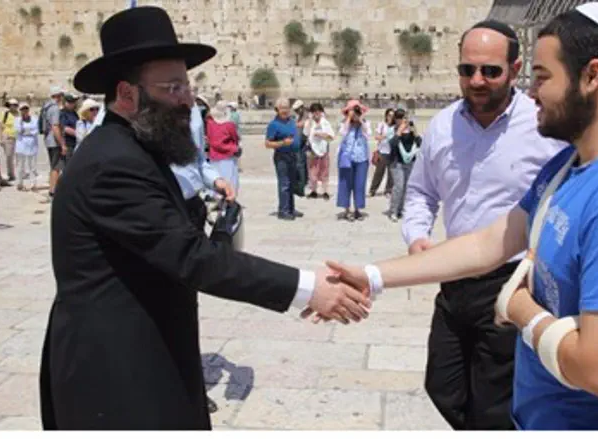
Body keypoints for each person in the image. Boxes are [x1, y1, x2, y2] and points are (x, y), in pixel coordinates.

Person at [317, 3, 598, 430]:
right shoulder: (573, 163)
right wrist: (372, 275)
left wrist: (520, 310)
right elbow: (491, 242)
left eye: (542, 78)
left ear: (593, 76)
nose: (532, 93)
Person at [39, 6, 370, 430]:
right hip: (115, 375)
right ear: (127, 94)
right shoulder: (112, 164)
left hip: (148, 355)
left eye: (187, 84)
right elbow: (192, 257)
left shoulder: (137, 150)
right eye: (172, 87)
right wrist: (308, 289)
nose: (187, 99)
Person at [391, 20, 563, 430]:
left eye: (490, 70)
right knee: (443, 386)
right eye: (467, 70)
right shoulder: (443, 125)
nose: (477, 80)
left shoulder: (544, 129)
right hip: (455, 277)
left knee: (493, 401)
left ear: (515, 68)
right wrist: (417, 236)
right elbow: (421, 192)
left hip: (512, 280)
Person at [265, 97, 302, 220]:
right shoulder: (273, 125)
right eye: (282, 108)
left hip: (293, 156)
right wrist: (282, 143)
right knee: (284, 184)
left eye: (287, 108)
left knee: (292, 183)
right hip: (282, 157)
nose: (285, 110)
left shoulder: (291, 121)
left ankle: (290, 208)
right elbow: (268, 143)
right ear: (277, 109)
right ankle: (283, 210)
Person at [336, 99, 372, 222]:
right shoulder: (344, 123)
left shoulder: (365, 123)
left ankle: (357, 209)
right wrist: (348, 120)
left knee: (360, 184)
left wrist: (360, 120)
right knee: (345, 184)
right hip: (347, 158)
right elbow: (342, 133)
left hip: (362, 158)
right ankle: (346, 209)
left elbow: (368, 135)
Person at [386, 109, 421, 222]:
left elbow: (420, 143)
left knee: (407, 187)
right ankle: (393, 211)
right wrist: (399, 132)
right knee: (398, 186)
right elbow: (391, 144)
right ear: (395, 119)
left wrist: (415, 133)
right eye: (399, 118)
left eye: (404, 117)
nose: (402, 120)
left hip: (410, 162)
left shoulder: (411, 130)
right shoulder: (392, 130)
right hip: (396, 162)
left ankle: (401, 209)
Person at [205, 101, 240, 196]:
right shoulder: (229, 125)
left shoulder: (210, 123)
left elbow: (209, 138)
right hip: (227, 157)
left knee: (215, 180)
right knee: (229, 181)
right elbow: (235, 138)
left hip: (213, 156)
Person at [305, 102, 334, 200]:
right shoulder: (309, 122)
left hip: (323, 150)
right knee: (312, 172)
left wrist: (321, 135)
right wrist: (309, 121)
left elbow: (331, 136)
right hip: (313, 151)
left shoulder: (325, 123)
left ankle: (325, 191)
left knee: (324, 172)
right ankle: (314, 191)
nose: (316, 114)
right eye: (314, 112)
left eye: (318, 111)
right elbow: (306, 133)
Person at [369, 108, 395, 197]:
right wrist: (386, 135)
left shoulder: (396, 127)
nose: (391, 117)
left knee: (391, 173)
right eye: (389, 115)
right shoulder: (382, 125)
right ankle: (373, 189)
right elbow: (376, 137)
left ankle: (388, 190)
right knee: (379, 172)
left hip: (392, 152)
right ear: (386, 116)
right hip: (382, 151)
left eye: (393, 115)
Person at [14, 102, 39, 191]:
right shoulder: (17, 120)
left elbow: (35, 131)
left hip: (32, 144)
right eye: (22, 109)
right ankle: (19, 183)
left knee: (32, 166)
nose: (24, 111)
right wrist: (22, 123)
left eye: (26, 109)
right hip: (21, 145)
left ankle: (33, 184)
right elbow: (18, 131)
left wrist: (26, 131)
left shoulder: (34, 119)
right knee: (20, 165)